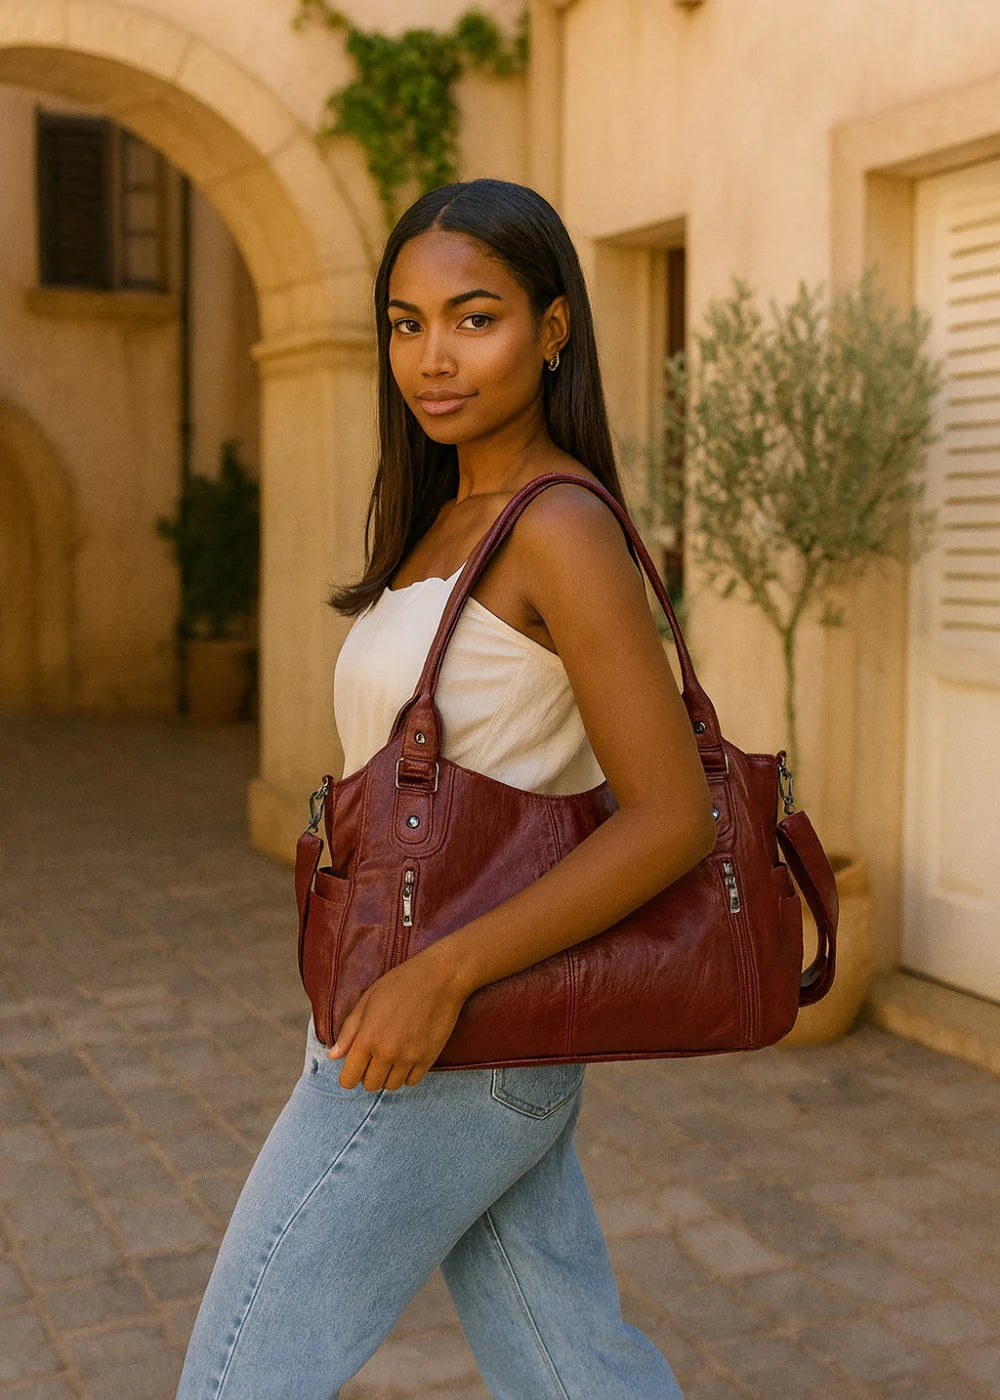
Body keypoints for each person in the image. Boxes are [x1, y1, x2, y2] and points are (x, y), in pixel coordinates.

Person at [176, 177, 716, 1400]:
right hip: (415, 1018)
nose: (434, 356)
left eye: (475, 318)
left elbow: (672, 814)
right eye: (405, 323)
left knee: (238, 1372)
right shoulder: (442, 514)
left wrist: (440, 973)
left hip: (451, 1037)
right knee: (572, 1366)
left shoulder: (557, 524)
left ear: (554, 326)